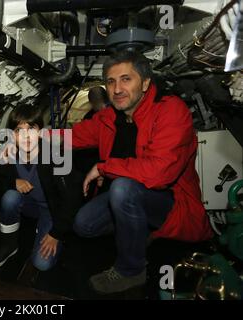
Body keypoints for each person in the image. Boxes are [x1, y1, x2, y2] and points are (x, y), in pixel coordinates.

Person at [70, 51, 213, 294]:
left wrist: (104, 167)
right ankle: (137, 229)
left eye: (126, 79)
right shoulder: (109, 117)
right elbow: (75, 135)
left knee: (123, 188)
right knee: (84, 225)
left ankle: (131, 270)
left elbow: (159, 173)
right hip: (131, 196)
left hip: (169, 202)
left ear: (145, 83)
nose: (117, 89)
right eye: (111, 81)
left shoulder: (170, 110)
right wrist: (35, 136)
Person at [0, 104, 82, 271]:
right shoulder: (7, 154)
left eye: (31, 129)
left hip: (50, 209)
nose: (26, 136)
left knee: (42, 264)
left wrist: (56, 234)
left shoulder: (56, 155)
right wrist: (13, 182)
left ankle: (46, 230)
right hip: (28, 204)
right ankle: (8, 244)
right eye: (18, 131)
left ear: (41, 132)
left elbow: (72, 199)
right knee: (9, 197)